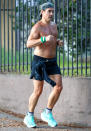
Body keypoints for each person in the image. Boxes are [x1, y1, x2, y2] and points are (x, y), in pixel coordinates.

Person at [23, 2, 63, 128]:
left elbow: (52, 40)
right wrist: (43, 39)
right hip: (39, 61)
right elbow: (28, 44)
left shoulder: (54, 26)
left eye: (52, 11)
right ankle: (29, 116)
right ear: (42, 12)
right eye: (49, 11)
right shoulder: (37, 27)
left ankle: (47, 112)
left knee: (58, 87)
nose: (51, 14)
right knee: (38, 90)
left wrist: (57, 42)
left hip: (52, 61)